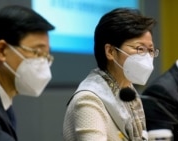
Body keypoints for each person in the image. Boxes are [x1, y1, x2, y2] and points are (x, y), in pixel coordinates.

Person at [63, 8, 158, 141]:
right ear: (111, 52)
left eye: (151, 50)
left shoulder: (129, 93)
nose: (147, 57)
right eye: (140, 49)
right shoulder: (88, 100)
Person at [0, 5, 54, 141]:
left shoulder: (4, 104)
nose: (43, 63)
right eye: (37, 52)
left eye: (47, 55)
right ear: (2, 50)